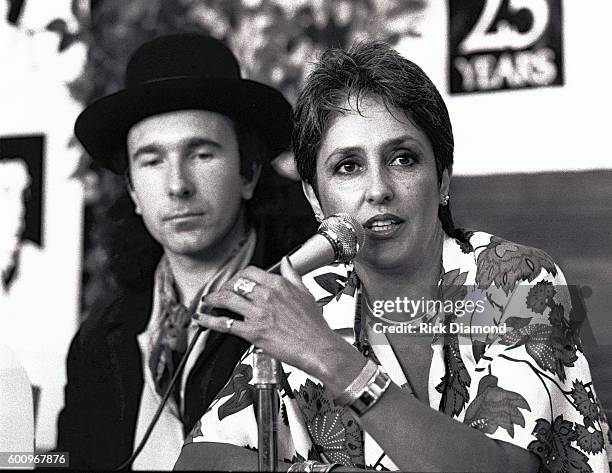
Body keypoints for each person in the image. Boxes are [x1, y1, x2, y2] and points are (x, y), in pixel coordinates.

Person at [175, 41, 612, 472]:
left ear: (442, 180)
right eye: (348, 166)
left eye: (403, 159)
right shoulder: (315, 300)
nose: (379, 189)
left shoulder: (517, 280)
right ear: (314, 197)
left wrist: (328, 356)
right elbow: (197, 461)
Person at [55, 34, 313, 470]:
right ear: (133, 191)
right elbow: (67, 461)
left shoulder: (306, 307)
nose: (177, 185)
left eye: (202, 153)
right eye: (152, 161)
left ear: (248, 172)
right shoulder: (101, 337)